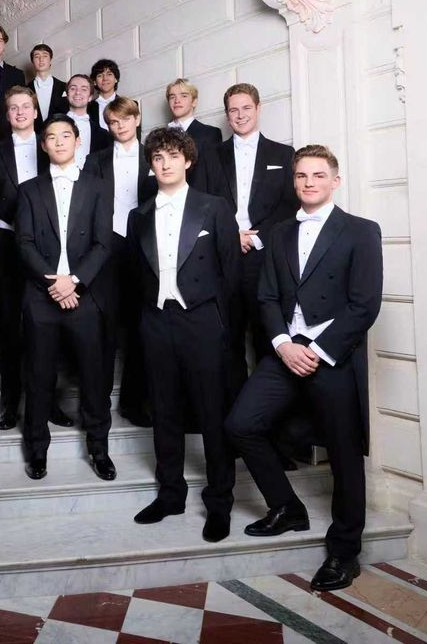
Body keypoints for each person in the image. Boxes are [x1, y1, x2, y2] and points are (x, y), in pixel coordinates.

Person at [225, 145, 382, 591]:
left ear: (335, 180)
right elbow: (268, 296)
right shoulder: (277, 234)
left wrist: (317, 348)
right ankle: (287, 507)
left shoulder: (360, 231)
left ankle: (345, 552)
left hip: (330, 357)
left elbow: (364, 304)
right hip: (285, 350)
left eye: (317, 175)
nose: (308, 183)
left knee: (344, 455)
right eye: (300, 176)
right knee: (241, 424)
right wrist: (281, 344)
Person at [127, 127, 240, 542]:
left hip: (203, 323)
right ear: (151, 165)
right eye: (158, 158)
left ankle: (220, 503)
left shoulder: (214, 207)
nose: (165, 163)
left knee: (213, 414)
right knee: (164, 412)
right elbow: (135, 276)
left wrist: (218, 324)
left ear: (188, 160)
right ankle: (171, 494)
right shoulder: (137, 215)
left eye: (173, 156)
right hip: (157, 321)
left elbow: (231, 272)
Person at [15, 114, 114, 482]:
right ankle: (38, 450)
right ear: (43, 145)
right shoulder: (28, 189)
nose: (58, 142)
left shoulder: (98, 186)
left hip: (84, 296)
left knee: (94, 375)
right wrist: (54, 284)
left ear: (78, 142)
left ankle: (99, 449)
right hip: (42, 298)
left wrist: (74, 281)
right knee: (39, 377)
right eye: (51, 137)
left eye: (65, 136)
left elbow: (104, 243)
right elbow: (22, 243)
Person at [215, 83, 296, 387]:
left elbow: (289, 206)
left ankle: (268, 415)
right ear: (227, 115)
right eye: (233, 110)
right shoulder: (212, 155)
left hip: (266, 258)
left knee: (268, 337)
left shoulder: (283, 153)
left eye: (246, 107)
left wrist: (256, 238)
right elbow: (204, 202)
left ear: (258, 108)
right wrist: (230, 236)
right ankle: (235, 415)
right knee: (228, 339)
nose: (240, 114)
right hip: (224, 258)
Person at [0, 86, 50, 430]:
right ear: (6, 115)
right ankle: (11, 402)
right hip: (7, 244)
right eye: (13, 108)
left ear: (36, 112)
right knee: (10, 327)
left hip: (48, 248)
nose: (20, 112)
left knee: (47, 327)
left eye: (26, 107)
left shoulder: (50, 146)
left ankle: (48, 401)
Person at [84, 97, 154, 426]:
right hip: (107, 246)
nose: (119, 126)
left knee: (142, 326)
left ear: (137, 118)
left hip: (146, 247)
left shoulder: (154, 156)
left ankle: (134, 403)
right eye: (113, 122)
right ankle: (96, 406)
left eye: (125, 119)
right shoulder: (95, 160)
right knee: (105, 326)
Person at [163, 78, 222, 196]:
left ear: (194, 102)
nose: (177, 101)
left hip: (197, 205)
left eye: (184, 96)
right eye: (172, 97)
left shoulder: (209, 134)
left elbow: (214, 179)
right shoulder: (160, 136)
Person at [65, 74, 113, 170]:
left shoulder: (103, 135)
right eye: (73, 88)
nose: (78, 92)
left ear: (90, 97)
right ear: (67, 94)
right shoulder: (51, 126)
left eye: (84, 89)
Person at [28, 44, 67, 127]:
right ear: (32, 61)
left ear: (50, 60)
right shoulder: (25, 89)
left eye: (45, 56)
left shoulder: (64, 87)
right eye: (36, 56)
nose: (41, 59)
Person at [89, 59, 120, 130]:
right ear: (94, 82)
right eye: (100, 75)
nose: (105, 78)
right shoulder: (87, 108)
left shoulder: (129, 104)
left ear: (116, 79)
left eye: (109, 74)